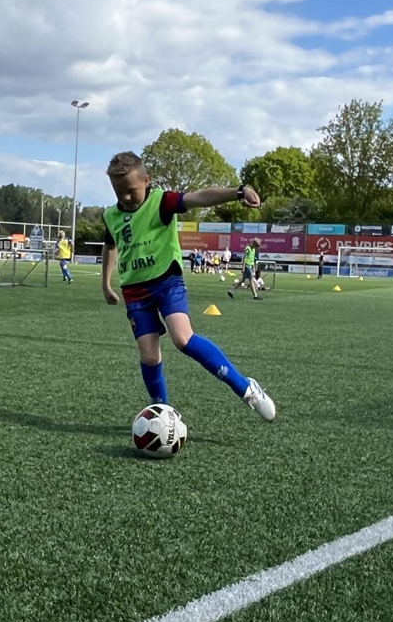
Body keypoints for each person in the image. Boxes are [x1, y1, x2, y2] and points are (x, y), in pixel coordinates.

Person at [100, 151, 275, 421]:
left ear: (147, 180)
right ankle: (163, 411)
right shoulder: (111, 215)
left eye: (130, 191)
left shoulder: (162, 202)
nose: (125, 197)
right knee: (148, 356)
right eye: (118, 191)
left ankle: (246, 388)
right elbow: (110, 245)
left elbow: (200, 196)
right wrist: (105, 283)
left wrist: (239, 191)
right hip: (134, 291)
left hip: (167, 281)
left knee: (182, 339)